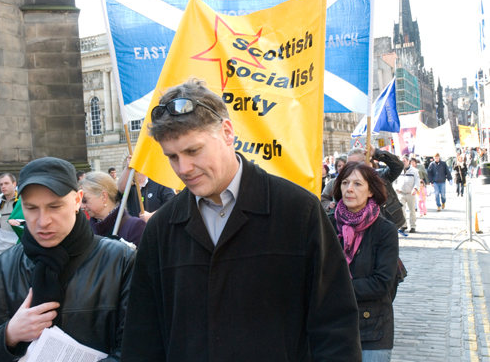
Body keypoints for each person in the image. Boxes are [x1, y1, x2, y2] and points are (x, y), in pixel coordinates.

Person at [120, 79, 362, 361]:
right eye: (172, 157)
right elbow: (142, 337)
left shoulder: (299, 211)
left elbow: (335, 327)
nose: (183, 168)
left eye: (193, 151)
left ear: (226, 132)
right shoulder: (160, 229)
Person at [0, 157, 136, 362]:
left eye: (54, 207)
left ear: (77, 201)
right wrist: (9, 335)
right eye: (31, 208)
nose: (43, 221)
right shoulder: (1, 268)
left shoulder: (121, 260)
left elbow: (138, 349)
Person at [328, 161, 398, 362]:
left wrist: (335, 288)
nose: (349, 189)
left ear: (370, 191)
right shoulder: (327, 224)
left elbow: (382, 282)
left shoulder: (384, 230)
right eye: (345, 183)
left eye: (357, 184)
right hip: (331, 327)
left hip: (372, 329)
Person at [79, 171, 145, 246]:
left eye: (84, 200)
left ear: (103, 197)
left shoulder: (135, 227)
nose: (82, 206)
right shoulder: (85, 228)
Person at [347, 146, 406, 229]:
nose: (350, 168)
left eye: (354, 164)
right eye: (349, 165)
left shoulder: (381, 176)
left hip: (387, 223)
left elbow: (398, 165)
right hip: (362, 226)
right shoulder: (346, 183)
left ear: (365, 162)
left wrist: (376, 153)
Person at [117, 154, 176, 222]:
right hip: (136, 229)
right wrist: (127, 167)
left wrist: (152, 215)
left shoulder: (159, 183)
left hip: (157, 228)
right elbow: (119, 191)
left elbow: (172, 204)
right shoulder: (128, 187)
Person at [394, 155, 420, 233]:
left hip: (410, 193)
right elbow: (394, 181)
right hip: (401, 193)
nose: (403, 162)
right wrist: (396, 188)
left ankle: (413, 226)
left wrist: (415, 189)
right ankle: (403, 225)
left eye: (404, 161)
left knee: (412, 210)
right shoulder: (398, 170)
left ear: (408, 161)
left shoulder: (414, 171)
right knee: (401, 210)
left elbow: (417, 181)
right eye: (402, 161)